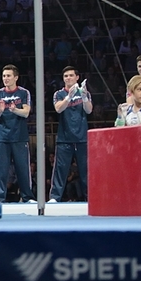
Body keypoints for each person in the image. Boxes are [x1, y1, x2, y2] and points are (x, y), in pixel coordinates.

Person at [0, 64, 35, 203]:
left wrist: (15, 110)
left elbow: (26, 112)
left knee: (23, 169)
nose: (6, 78)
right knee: (0, 170)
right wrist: (1, 110)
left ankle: (27, 197)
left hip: (20, 137)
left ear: (16, 77)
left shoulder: (24, 93)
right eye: (4, 76)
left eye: (8, 76)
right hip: (2, 138)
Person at [50, 66, 92, 203]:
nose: (68, 78)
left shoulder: (85, 92)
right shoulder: (59, 94)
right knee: (60, 169)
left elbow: (89, 110)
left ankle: (90, 197)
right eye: (66, 76)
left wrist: (84, 97)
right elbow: (58, 109)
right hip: (64, 138)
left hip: (82, 137)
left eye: (71, 75)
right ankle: (55, 197)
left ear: (77, 77)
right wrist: (69, 97)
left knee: (85, 170)